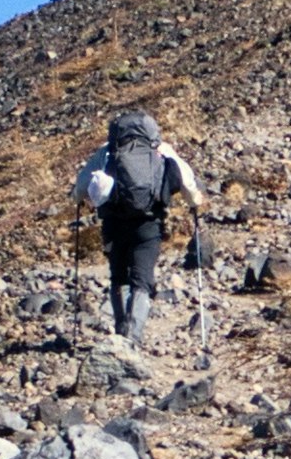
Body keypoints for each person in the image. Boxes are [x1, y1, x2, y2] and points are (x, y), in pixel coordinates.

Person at [73, 104, 200, 342]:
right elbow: (186, 180)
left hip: (114, 222)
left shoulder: (108, 151)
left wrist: (79, 199)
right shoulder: (161, 150)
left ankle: (121, 329)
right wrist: (195, 202)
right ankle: (134, 334)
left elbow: (80, 187)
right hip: (149, 223)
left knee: (118, 276)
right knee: (142, 278)